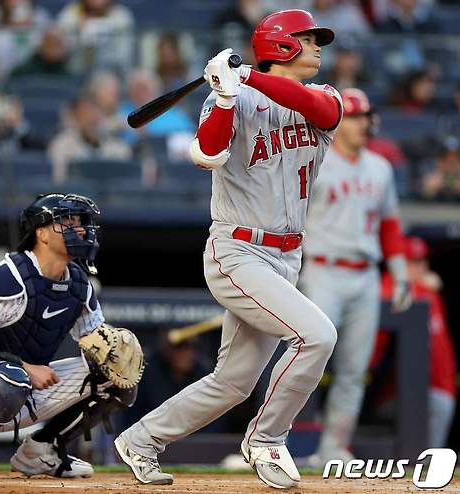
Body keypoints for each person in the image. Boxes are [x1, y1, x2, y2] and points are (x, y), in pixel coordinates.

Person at [115, 9, 342, 489]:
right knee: (318, 336)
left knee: (233, 382)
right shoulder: (233, 98)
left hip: (287, 256)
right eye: (308, 38)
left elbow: (319, 110)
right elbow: (207, 155)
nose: (319, 46)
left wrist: (245, 77)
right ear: (281, 44)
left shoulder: (324, 96)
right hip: (237, 250)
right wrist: (223, 96)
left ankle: (141, 439)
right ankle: (266, 440)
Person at [0, 193, 144, 479]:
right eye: (67, 221)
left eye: (81, 222)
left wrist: (116, 347)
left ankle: (42, 450)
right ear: (40, 232)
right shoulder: (9, 276)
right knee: (11, 376)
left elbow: (97, 344)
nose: (80, 228)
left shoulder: (80, 284)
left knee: (118, 372)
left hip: (20, 391)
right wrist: (26, 368)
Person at [297, 88, 411, 467]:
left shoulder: (379, 167)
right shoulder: (317, 159)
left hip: (364, 275)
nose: (364, 123)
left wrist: (398, 273)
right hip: (323, 270)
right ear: (340, 120)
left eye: (366, 116)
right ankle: (276, 441)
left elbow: (390, 226)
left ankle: (334, 448)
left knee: (353, 370)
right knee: (305, 360)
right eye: (357, 116)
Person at [377, 236, 456, 449]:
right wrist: (419, 287)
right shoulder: (389, 285)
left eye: (422, 262)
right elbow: (385, 293)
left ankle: (427, 469)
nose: (419, 268)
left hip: (434, 388)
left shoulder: (431, 294)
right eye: (411, 262)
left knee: (441, 406)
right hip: (390, 391)